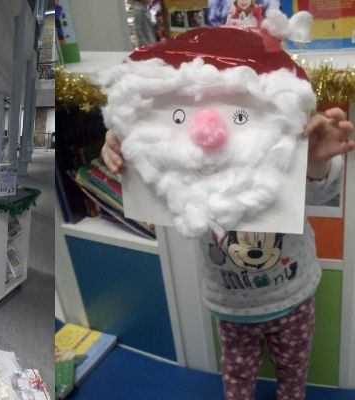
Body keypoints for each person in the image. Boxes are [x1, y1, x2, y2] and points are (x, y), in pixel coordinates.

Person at [101, 107, 355, 399]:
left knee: (294, 376)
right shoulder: (191, 157)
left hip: (293, 299)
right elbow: (157, 177)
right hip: (233, 308)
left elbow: (318, 189)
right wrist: (128, 146)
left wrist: (314, 161)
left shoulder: (275, 148)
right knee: (237, 379)